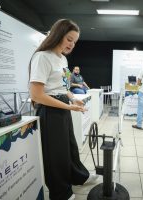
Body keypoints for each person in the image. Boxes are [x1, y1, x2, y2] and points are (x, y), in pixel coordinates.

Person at [29, 19, 97, 200]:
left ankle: (78, 176)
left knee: (70, 147)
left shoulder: (63, 59)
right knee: (55, 155)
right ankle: (61, 193)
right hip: (50, 112)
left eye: (74, 41)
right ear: (57, 34)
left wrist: (74, 98)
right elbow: (36, 95)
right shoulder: (42, 57)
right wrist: (68, 106)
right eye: (69, 39)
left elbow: (64, 86)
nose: (71, 45)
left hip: (62, 108)